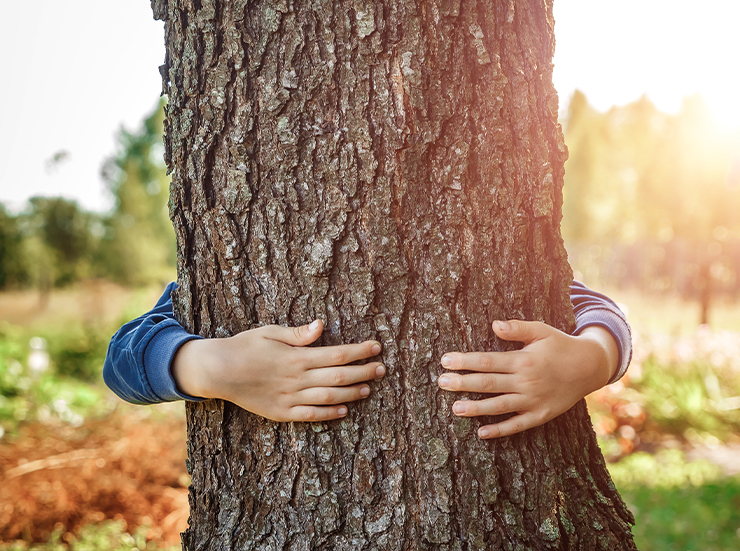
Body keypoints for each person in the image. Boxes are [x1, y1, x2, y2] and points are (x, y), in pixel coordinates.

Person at [104, 281, 629, 438]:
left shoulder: (509, 247)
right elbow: (120, 363)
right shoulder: (214, 273)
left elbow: (594, 307)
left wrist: (593, 359)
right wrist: (212, 367)